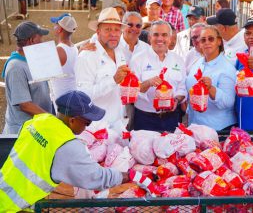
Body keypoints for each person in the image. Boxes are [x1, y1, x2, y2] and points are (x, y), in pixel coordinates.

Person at [0, 91, 151, 212]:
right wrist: (128, 175)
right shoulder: (67, 145)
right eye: (87, 122)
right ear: (72, 120)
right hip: (16, 206)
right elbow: (96, 177)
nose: (87, 127)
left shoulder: (39, 120)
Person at [75, 7, 130, 131]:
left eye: (117, 29)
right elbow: (82, 96)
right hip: (95, 128)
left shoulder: (120, 52)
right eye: (108, 29)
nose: (113, 34)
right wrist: (113, 80)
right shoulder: (87, 56)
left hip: (117, 123)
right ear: (98, 32)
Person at [130, 20, 186, 132]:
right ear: (150, 38)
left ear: (170, 38)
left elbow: (182, 88)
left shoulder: (178, 60)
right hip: (145, 118)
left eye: (164, 35)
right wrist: (148, 83)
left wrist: (176, 100)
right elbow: (132, 89)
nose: (160, 39)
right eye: (156, 35)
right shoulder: (137, 59)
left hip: (171, 118)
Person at [2, 22, 52, 134]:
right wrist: (51, 119)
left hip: (35, 126)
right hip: (23, 132)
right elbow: (25, 105)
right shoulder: (16, 67)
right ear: (32, 40)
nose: (42, 41)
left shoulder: (31, 59)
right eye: (41, 38)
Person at [186, 26, 237, 131]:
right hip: (195, 126)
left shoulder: (227, 68)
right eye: (203, 40)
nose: (207, 42)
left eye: (211, 39)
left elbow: (229, 102)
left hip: (218, 128)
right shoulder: (197, 63)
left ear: (219, 41)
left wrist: (211, 88)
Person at [50, 14, 78, 99]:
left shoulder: (59, 50)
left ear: (60, 29)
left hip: (60, 97)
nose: (54, 27)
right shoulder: (74, 47)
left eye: (56, 24)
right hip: (72, 93)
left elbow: (45, 73)